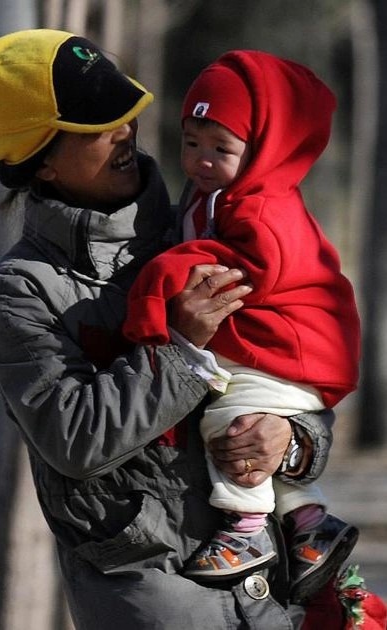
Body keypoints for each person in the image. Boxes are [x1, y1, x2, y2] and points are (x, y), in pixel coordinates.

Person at [0, 28, 337, 627]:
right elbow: (74, 440)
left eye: (123, 110)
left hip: (280, 589)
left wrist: (291, 440)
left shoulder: (211, 225)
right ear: (43, 163)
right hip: (155, 596)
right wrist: (181, 349)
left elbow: (294, 362)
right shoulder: (24, 289)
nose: (124, 131)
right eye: (94, 125)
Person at [121, 50, 360, 599]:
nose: (201, 161)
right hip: (266, 350)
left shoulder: (261, 207)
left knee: (233, 425)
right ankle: (309, 523)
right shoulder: (215, 197)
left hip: (287, 350)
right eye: (191, 143)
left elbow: (253, 269)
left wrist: (169, 269)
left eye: (221, 149)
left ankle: (248, 530)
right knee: (247, 423)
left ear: (262, 150)